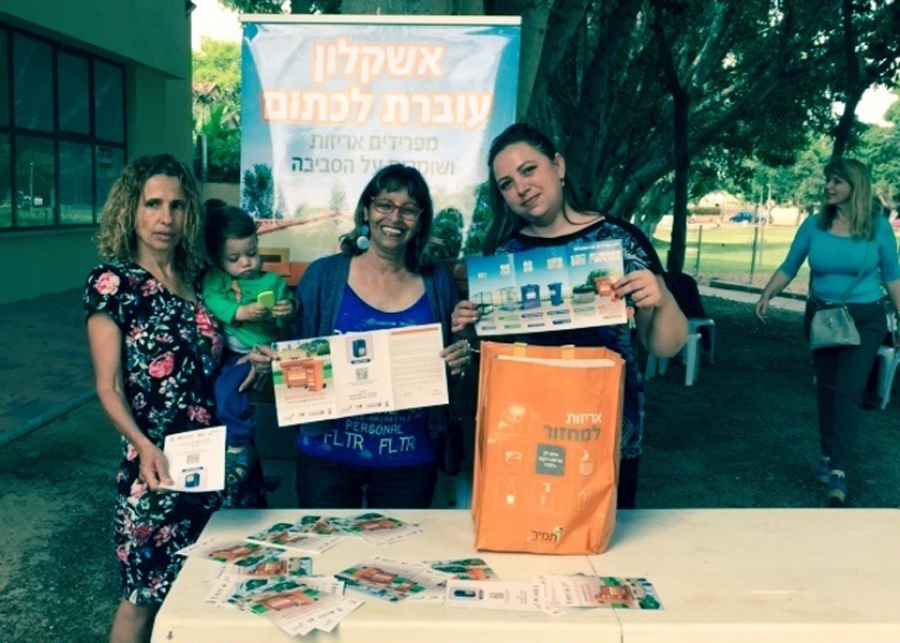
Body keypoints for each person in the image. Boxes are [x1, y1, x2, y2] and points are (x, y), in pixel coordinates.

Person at [452, 123, 688, 509]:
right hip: (528, 436)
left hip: (606, 433)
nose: (521, 188)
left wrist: (661, 300)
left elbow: (666, 345)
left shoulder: (620, 242)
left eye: (529, 170)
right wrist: (470, 325)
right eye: (507, 184)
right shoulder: (505, 256)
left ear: (558, 166)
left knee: (601, 541)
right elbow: (499, 354)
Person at [84, 154, 266, 643]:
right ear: (131, 209)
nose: (165, 217)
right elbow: (108, 386)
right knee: (142, 599)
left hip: (222, 462)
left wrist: (253, 364)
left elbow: (220, 364)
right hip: (158, 468)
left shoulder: (201, 279)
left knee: (224, 592)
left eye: (178, 205)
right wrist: (143, 445)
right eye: (153, 204)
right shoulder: (113, 284)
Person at [288, 163, 470, 508]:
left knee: (400, 546)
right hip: (326, 456)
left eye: (409, 209)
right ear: (366, 210)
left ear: (420, 220)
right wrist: (274, 360)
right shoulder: (323, 276)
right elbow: (293, 358)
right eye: (385, 205)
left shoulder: (438, 283)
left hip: (409, 460)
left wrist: (459, 357)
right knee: (325, 544)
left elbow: (452, 364)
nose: (395, 218)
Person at [755, 158, 900, 507]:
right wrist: (767, 294)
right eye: (828, 180)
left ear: (856, 186)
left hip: (865, 319)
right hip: (822, 317)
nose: (828, 186)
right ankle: (827, 454)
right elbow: (790, 265)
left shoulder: (878, 228)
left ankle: (839, 470)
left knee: (849, 389)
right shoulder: (814, 225)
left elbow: (893, 277)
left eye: (837, 181)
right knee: (827, 388)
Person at [202, 205, 297, 485]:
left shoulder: (273, 281)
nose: (246, 263)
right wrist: (240, 312)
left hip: (257, 352)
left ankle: (239, 445)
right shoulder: (217, 278)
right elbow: (211, 299)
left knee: (227, 390)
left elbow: (285, 322)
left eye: (252, 253)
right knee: (223, 393)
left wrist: (285, 311)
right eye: (234, 258)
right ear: (216, 257)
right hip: (229, 352)